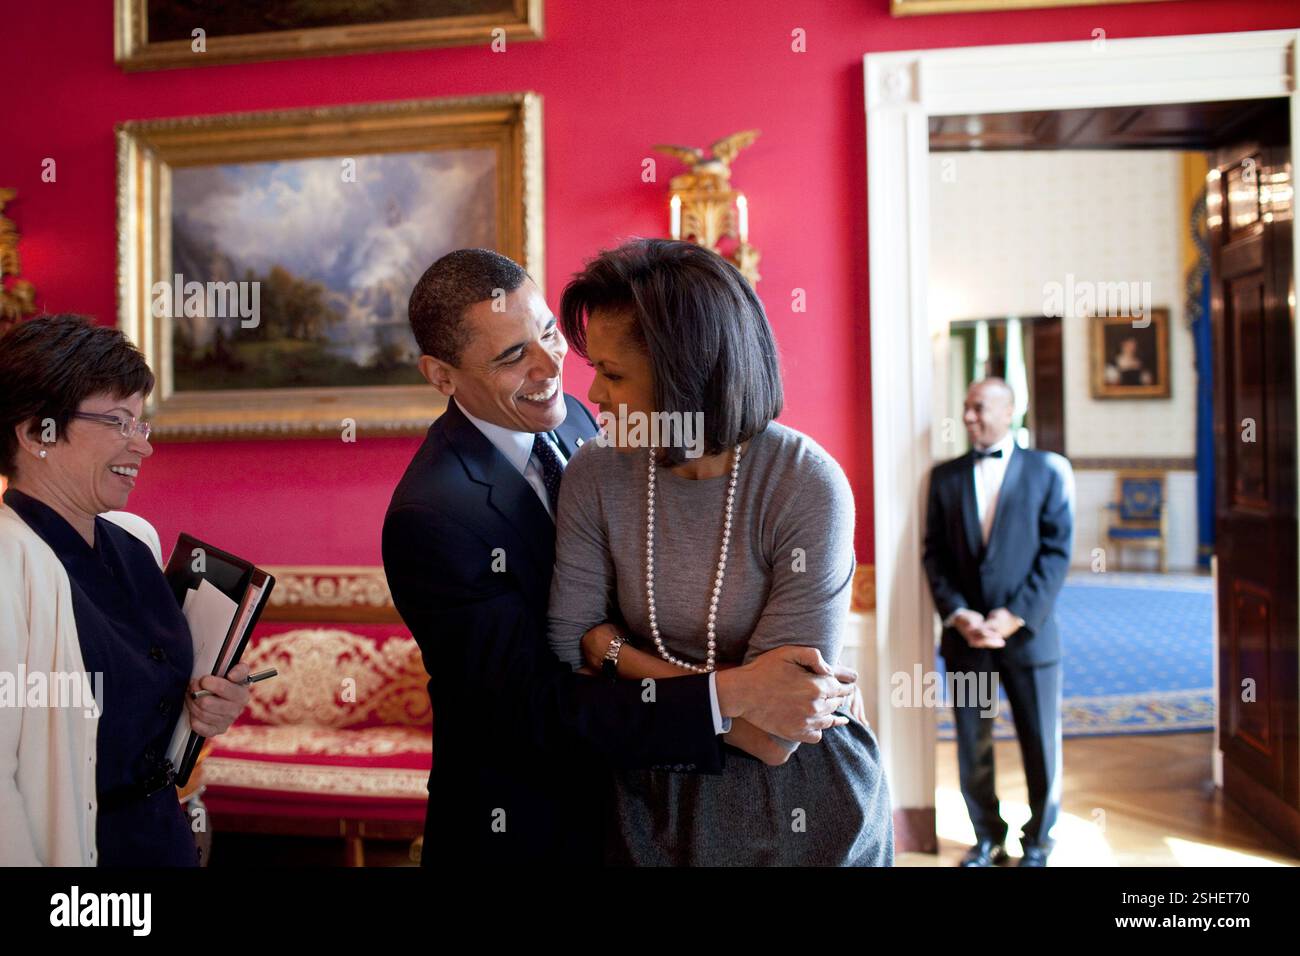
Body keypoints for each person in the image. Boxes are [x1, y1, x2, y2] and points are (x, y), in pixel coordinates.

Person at [382, 248, 860, 866]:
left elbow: (780, 723)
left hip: (728, 808)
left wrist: (608, 649)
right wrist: (733, 694)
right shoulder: (433, 515)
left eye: (549, 333)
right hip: (528, 826)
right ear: (441, 375)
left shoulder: (581, 424)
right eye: (511, 357)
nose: (554, 368)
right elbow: (540, 705)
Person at [548, 238, 893, 866]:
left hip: (802, 808)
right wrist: (735, 691)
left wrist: (616, 651)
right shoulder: (594, 473)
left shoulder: (806, 483)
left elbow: (776, 735)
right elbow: (571, 642)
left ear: (688, 375)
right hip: (642, 792)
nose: (592, 395)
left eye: (614, 373)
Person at [0, 314, 251, 867]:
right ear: (35, 431)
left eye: (142, 425)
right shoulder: (8, 564)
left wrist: (207, 707)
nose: (143, 448)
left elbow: (155, 701)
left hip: (160, 836)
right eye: (118, 422)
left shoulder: (135, 541)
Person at [923, 377, 1073, 867]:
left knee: (1040, 745)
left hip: (1029, 639)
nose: (969, 417)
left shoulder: (1048, 471)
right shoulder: (943, 478)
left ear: (1010, 411)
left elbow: (1055, 554)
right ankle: (987, 837)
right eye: (965, 408)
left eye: (979, 408)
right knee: (973, 745)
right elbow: (935, 557)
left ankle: (1039, 842)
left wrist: (1012, 617)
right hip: (967, 642)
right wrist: (962, 615)